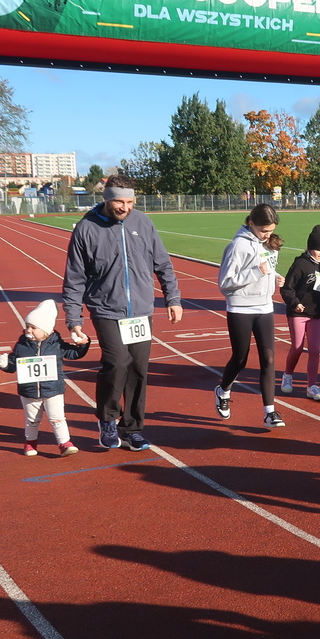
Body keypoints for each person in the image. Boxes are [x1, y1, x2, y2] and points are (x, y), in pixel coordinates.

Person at [62, 175, 182, 451]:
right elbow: (74, 278)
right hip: (106, 309)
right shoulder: (86, 229)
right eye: (119, 201)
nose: (124, 207)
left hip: (141, 310)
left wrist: (172, 298)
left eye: (129, 201)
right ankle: (107, 418)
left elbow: (162, 263)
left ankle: (132, 428)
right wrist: (74, 318)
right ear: (106, 198)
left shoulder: (143, 222)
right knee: (116, 363)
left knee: (138, 369)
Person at [214, 203, 286, 428]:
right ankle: (223, 390)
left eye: (271, 230)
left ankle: (269, 411)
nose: (267, 235)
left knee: (269, 359)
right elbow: (225, 283)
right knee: (240, 359)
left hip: (264, 307)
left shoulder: (270, 244)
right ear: (251, 223)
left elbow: (269, 268)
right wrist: (256, 272)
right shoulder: (238, 246)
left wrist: (276, 277)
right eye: (263, 230)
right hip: (241, 308)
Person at [0, 299, 91, 456]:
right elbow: (14, 364)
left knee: (58, 418)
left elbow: (74, 353)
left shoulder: (57, 345)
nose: (29, 331)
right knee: (32, 420)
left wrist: (83, 344)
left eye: (33, 328)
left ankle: (64, 443)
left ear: (46, 330)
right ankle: (30, 443)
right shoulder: (21, 346)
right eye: (27, 327)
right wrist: (5, 364)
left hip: (53, 389)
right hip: (29, 391)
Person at [280, 224, 320, 401]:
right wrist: (294, 303)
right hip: (298, 313)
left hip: (316, 314)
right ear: (309, 248)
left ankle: (311, 385)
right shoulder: (300, 265)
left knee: (314, 350)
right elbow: (286, 289)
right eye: (317, 249)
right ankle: (287, 375)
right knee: (297, 348)